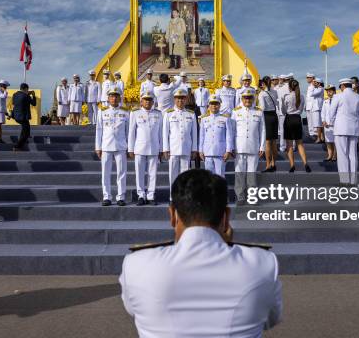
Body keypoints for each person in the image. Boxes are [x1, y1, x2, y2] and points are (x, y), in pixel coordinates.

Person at [119, 169, 282, 337]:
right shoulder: (263, 264)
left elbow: (134, 310)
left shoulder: (136, 265)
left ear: (172, 215)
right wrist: (227, 247)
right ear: (226, 217)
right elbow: (270, 318)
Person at [95, 87, 130, 206]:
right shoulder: (102, 111)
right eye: (112, 96)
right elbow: (99, 130)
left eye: (116, 96)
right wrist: (98, 146)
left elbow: (128, 131)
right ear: (108, 98)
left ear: (120, 98)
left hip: (121, 146)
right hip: (106, 145)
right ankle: (107, 196)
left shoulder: (125, 112)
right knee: (105, 172)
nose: (114, 98)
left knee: (121, 172)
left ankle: (121, 196)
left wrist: (129, 148)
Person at [128, 91, 162, 206]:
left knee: (153, 173)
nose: (147, 102)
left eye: (150, 100)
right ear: (141, 101)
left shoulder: (158, 114)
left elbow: (161, 133)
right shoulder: (135, 113)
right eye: (145, 100)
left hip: (154, 147)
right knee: (140, 172)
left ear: (153, 102)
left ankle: (151, 195)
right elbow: (131, 132)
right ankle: (141, 195)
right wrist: (130, 148)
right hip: (140, 147)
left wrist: (161, 149)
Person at [232, 88, 265, 203]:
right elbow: (232, 131)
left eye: (250, 98)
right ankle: (240, 196)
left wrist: (262, 146)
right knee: (239, 173)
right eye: (245, 98)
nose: (247, 100)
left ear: (253, 99)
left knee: (251, 173)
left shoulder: (259, 112)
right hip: (239, 147)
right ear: (242, 99)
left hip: (253, 146)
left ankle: (252, 197)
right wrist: (231, 146)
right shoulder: (236, 112)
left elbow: (262, 130)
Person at [162, 88, 198, 195]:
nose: (180, 101)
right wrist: (165, 148)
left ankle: (183, 196)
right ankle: (173, 197)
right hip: (173, 148)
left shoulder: (191, 114)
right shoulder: (169, 114)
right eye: (178, 99)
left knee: (185, 174)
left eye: (182, 99)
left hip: (186, 148)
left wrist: (194, 149)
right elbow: (165, 133)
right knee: (173, 174)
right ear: (174, 100)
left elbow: (194, 133)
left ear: (186, 100)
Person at [330, 78, 359, 185]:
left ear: (343, 86)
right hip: (354, 128)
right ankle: (353, 180)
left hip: (340, 128)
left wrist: (332, 123)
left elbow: (331, 113)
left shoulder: (337, 96)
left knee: (342, 155)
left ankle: (344, 180)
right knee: (353, 155)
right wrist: (355, 121)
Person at [199, 94, 233, 177]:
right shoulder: (204, 119)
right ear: (208, 105)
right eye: (212, 104)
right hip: (207, 151)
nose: (214, 106)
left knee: (220, 176)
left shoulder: (225, 118)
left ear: (219, 105)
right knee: (208, 177)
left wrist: (228, 150)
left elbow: (229, 136)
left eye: (216, 104)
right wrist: (200, 150)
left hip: (220, 152)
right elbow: (202, 136)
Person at [280, 79, 310, 173]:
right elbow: (301, 111)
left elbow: (283, 111)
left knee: (289, 145)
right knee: (300, 144)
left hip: (289, 119)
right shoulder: (301, 96)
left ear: (289, 87)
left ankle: (292, 165)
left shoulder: (286, 96)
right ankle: (305, 163)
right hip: (297, 119)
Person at [258, 76, 279, 172]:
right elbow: (277, 104)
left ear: (264, 83)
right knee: (274, 142)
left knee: (267, 142)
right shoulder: (274, 92)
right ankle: (274, 163)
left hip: (266, 116)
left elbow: (262, 107)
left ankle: (268, 165)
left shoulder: (262, 94)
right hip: (274, 116)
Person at [11, 83, 37, 151]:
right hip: (23, 117)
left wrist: (27, 94)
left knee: (26, 129)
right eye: (27, 89)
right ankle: (17, 146)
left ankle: (24, 140)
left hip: (16, 116)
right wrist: (33, 95)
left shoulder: (15, 94)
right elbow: (34, 103)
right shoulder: (26, 96)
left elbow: (15, 102)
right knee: (25, 132)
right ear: (26, 89)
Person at [275, 74, 291, 152]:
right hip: (292, 113)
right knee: (291, 130)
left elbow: (277, 101)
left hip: (282, 112)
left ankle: (282, 146)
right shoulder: (293, 88)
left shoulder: (279, 89)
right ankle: (292, 146)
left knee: (282, 130)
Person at [321, 84, 337, 162]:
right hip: (327, 124)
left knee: (335, 141)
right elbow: (323, 112)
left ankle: (335, 155)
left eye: (330, 91)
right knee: (328, 141)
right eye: (327, 91)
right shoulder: (325, 101)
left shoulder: (337, 100)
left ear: (334, 91)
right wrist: (323, 120)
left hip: (335, 124)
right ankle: (329, 155)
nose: (328, 92)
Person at [310, 77, 325, 143]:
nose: (314, 83)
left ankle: (319, 138)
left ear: (319, 83)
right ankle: (322, 137)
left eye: (315, 82)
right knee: (319, 124)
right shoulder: (318, 88)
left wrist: (313, 87)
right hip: (316, 108)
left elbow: (312, 94)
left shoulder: (320, 89)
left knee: (318, 124)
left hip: (317, 108)